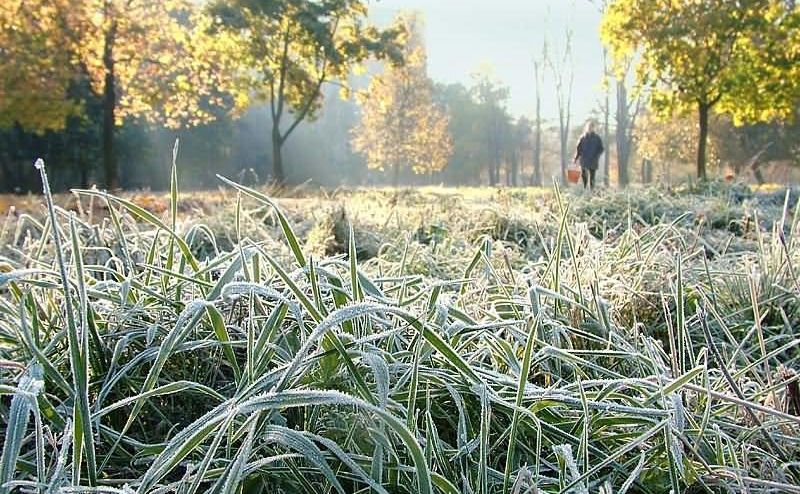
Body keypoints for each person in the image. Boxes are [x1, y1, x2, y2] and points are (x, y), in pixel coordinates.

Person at [573, 121, 604, 190]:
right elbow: (578, 149)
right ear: (587, 128)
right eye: (589, 127)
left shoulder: (597, 138)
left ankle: (592, 190)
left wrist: (597, 155)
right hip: (584, 159)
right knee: (584, 175)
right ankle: (584, 188)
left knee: (592, 176)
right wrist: (576, 158)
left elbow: (601, 148)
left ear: (594, 128)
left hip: (593, 160)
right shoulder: (583, 138)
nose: (590, 129)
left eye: (592, 127)